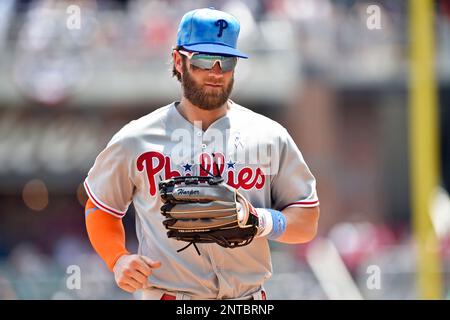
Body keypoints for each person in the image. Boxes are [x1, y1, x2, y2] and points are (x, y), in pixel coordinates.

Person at [84, 7, 320, 300]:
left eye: (227, 61)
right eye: (204, 60)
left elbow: (307, 219)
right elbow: (100, 208)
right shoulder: (136, 138)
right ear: (178, 61)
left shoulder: (269, 136)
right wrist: (117, 258)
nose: (216, 72)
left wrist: (260, 221)